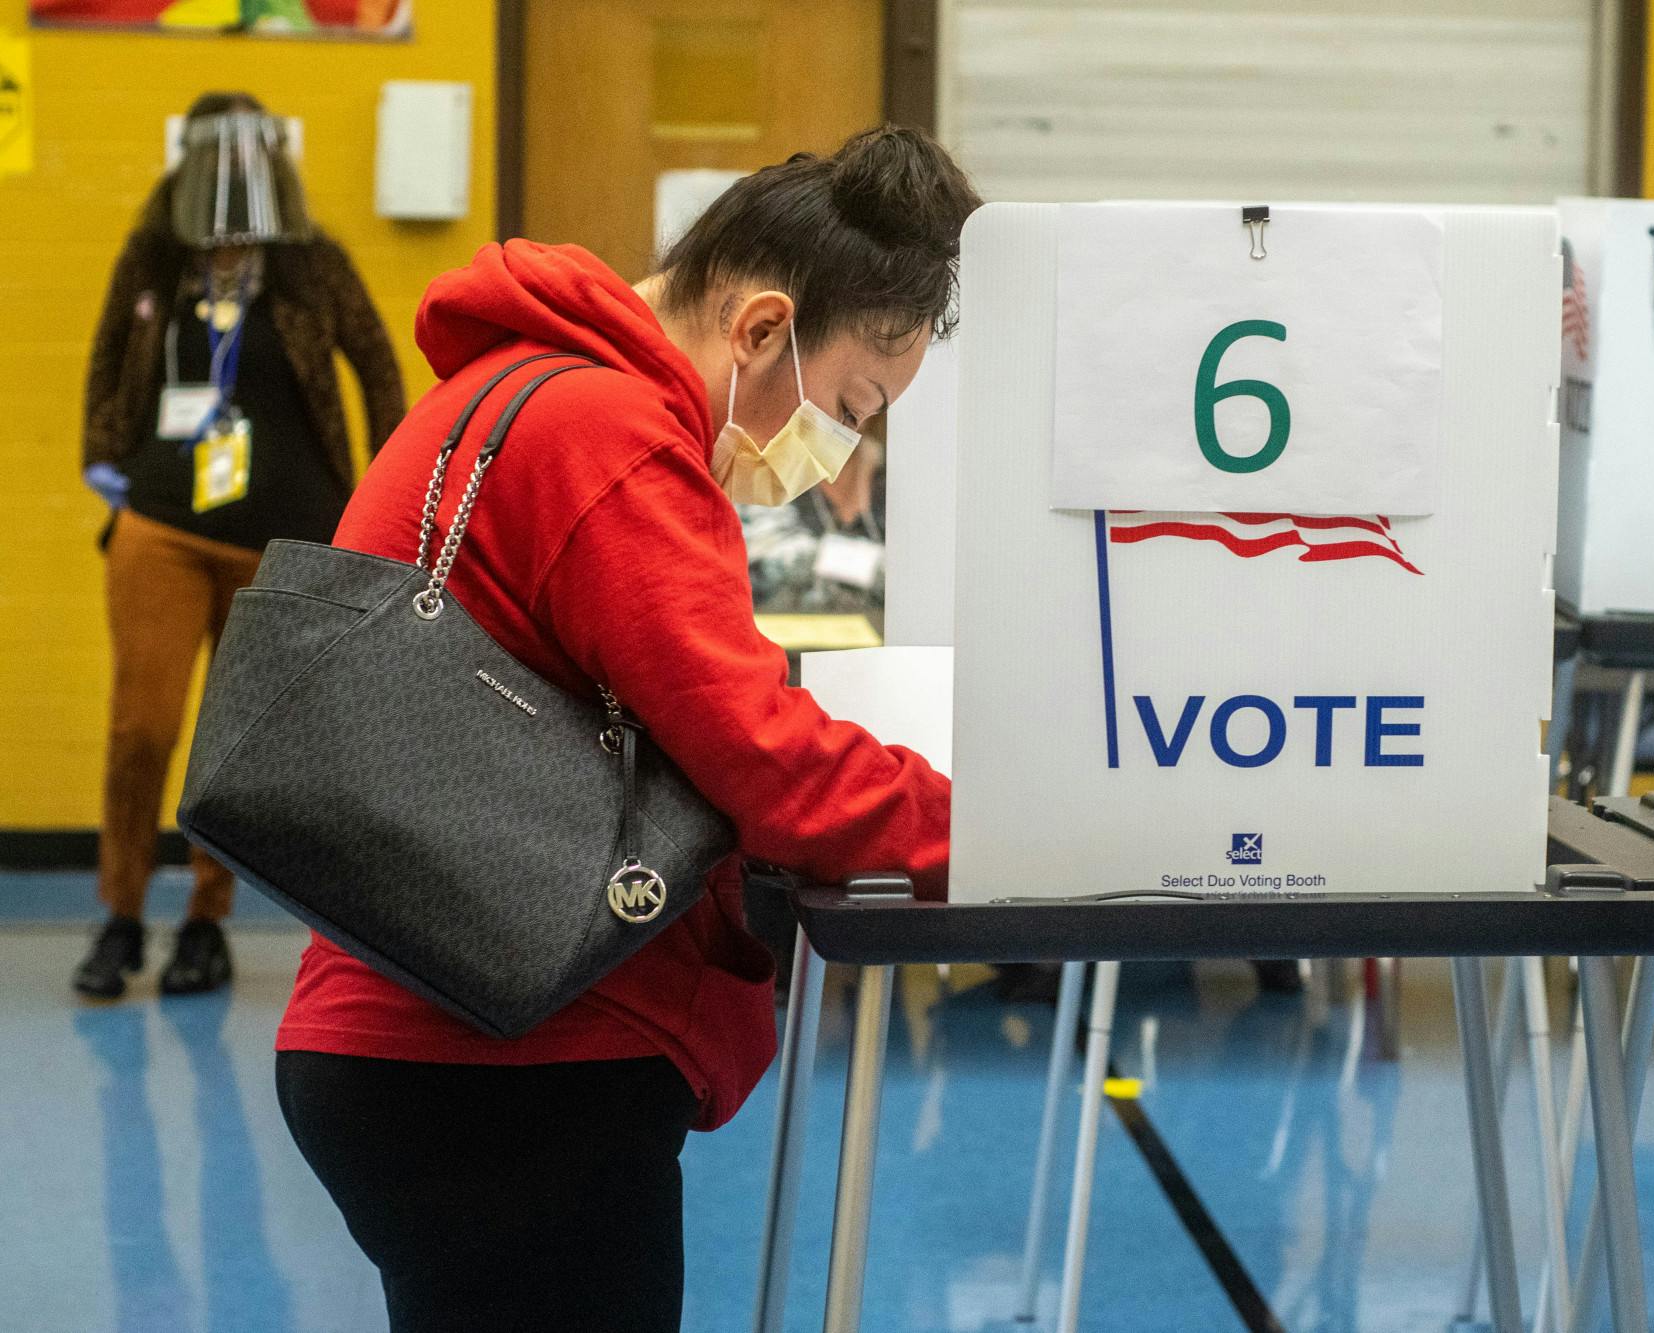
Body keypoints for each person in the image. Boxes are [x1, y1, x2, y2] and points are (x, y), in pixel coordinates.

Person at [273, 126, 978, 1331]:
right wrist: (1004, 825)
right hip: (508, 1070)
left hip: (423, 1034)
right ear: (759, 328)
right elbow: (763, 759)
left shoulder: (519, 388)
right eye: (850, 405)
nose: (841, 450)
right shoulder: (609, 441)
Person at [74, 92, 405, 1001]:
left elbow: (379, 367)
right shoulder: (157, 260)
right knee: (141, 728)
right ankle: (119, 914)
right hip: (162, 529)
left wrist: (389, 493)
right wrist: (102, 458)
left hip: (283, 541)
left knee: (233, 748)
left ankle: (206, 922)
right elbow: (107, 357)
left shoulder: (312, 265)